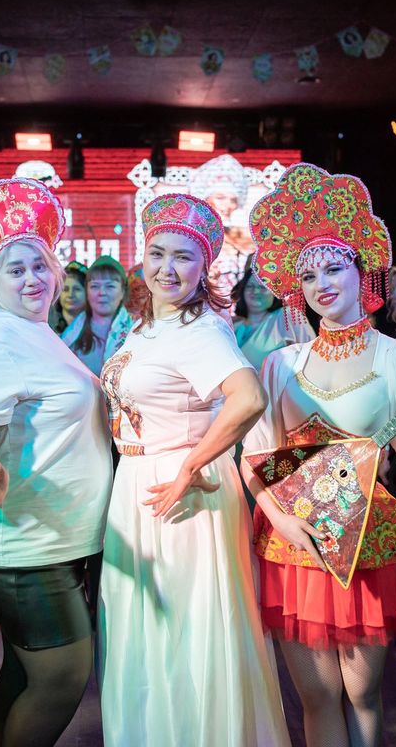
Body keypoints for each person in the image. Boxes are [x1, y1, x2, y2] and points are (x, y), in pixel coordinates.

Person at [243, 164, 396, 747]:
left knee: (362, 694)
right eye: (308, 274)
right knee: (316, 697)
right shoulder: (280, 365)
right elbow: (258, 460)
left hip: (364, 541)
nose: (321, 283)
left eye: (334, 268)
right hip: (292, 543)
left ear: (362, 271)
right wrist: (282, 521)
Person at [97, 193, 290, 746]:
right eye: (157, 253)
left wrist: (190, 465)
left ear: (204, 266)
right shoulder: (146, 326)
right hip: (138, 483)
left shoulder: (200, 329)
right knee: (148, 633)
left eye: (183, 256)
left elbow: (248, 398)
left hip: (181, 491)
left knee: (184, 631)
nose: (167, 268)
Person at [0, 178, 113, 747]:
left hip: (49, 537)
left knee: (23, 671)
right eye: (15, 270)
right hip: (20, 542)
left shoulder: (34, 331)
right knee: (62, 676)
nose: (32, 279)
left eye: (40, 266)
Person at [231, 258, 315, 374]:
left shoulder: (287, 315)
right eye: (250, 286)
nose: (256, 291)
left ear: (274, 293)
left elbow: (312, 354)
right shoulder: (234, 326)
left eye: (262, 287)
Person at [189, 153, 253, 299]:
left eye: (233, 200)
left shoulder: (243, 238)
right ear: (205, 199)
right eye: (220, 198)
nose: (227, 205)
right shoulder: (190, 239)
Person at [62, 255, 134, 376]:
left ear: (123, 291)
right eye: (94, 286)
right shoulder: (73, 332)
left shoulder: (136, 331)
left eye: (110, 286)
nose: (102, 293)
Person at [50, 262, 86, 333]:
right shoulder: (47, 325)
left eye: (77, 289)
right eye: (65, 289)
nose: (70, 295)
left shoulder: (97, 327)